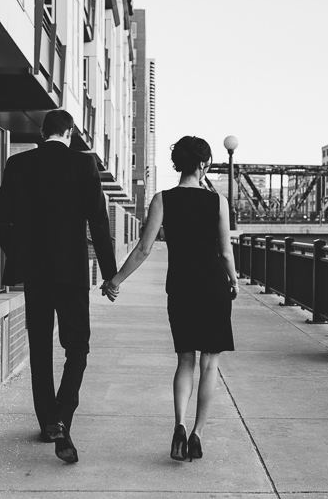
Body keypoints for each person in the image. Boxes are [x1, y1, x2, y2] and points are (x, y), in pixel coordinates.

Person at [0, 109, 117, 464]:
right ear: (71, 132)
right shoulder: (83, 165)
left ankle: (48, 423)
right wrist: (109, 275)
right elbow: (99, 224)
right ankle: (63, 415)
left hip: (36, 274)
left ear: (42, 132)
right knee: (77, 346)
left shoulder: (19, 165)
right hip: (72, 273)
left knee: (40, 346)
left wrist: (21, 255)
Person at [103, 135, 238, 462]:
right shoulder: (218, 202)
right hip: (213, 287)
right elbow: (225, 250)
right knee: (210, 363)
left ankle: (178, 425)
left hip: (180, 288)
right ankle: (197, 435)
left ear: (178, 163)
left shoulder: (162, 200)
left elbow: (145, 248)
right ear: (204, 164)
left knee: (185, 360)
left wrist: (115, 280)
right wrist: (233, 280)